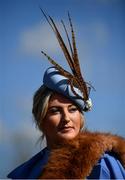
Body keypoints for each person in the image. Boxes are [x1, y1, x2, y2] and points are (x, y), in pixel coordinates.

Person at [7, 11, 125, 179]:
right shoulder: (27, 173)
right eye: (55, 111)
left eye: (72, 109)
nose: (66, 118)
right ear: (40, 119)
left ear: (81, 117)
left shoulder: (102, 164)